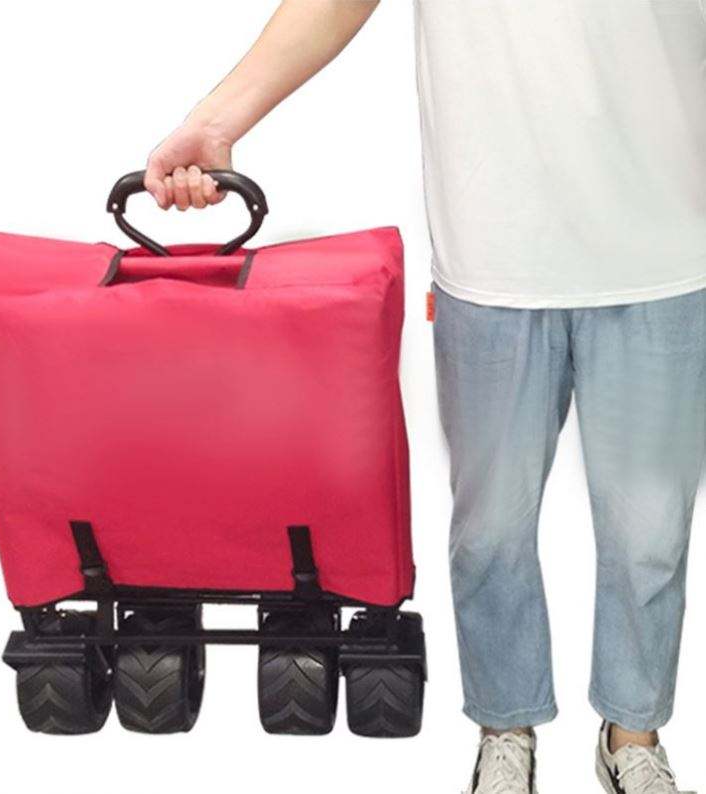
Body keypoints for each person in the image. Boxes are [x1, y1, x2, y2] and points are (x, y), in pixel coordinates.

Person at [143, 2, 706, 792]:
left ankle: (632, 736)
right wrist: (217, 119)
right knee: (491, 533)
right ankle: (505, 727)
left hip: (667, 253)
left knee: (651, 536)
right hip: (495, 256)